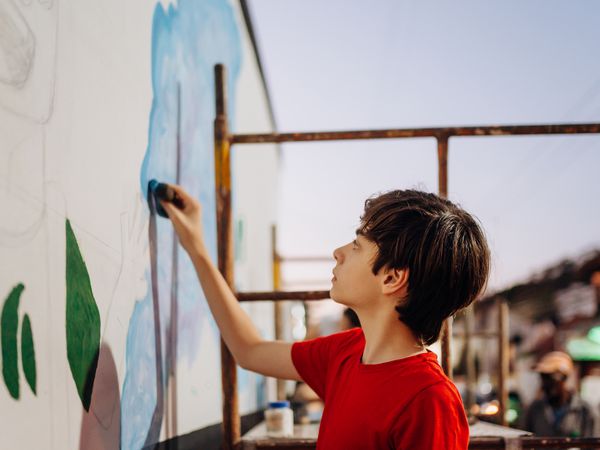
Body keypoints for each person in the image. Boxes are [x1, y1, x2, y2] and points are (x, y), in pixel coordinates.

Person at [161, 187, 490, 449]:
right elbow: (248, 349)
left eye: (358, 246)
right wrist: (196, 247)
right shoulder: (346, 352)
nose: (339, 251)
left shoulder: (430, 401)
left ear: (392, 278)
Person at [523, 351, 596, 438]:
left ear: (564, 378)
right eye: (543, 378)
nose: (546, 384)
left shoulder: (585, 410)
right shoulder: (534, 409)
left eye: (550, 378)